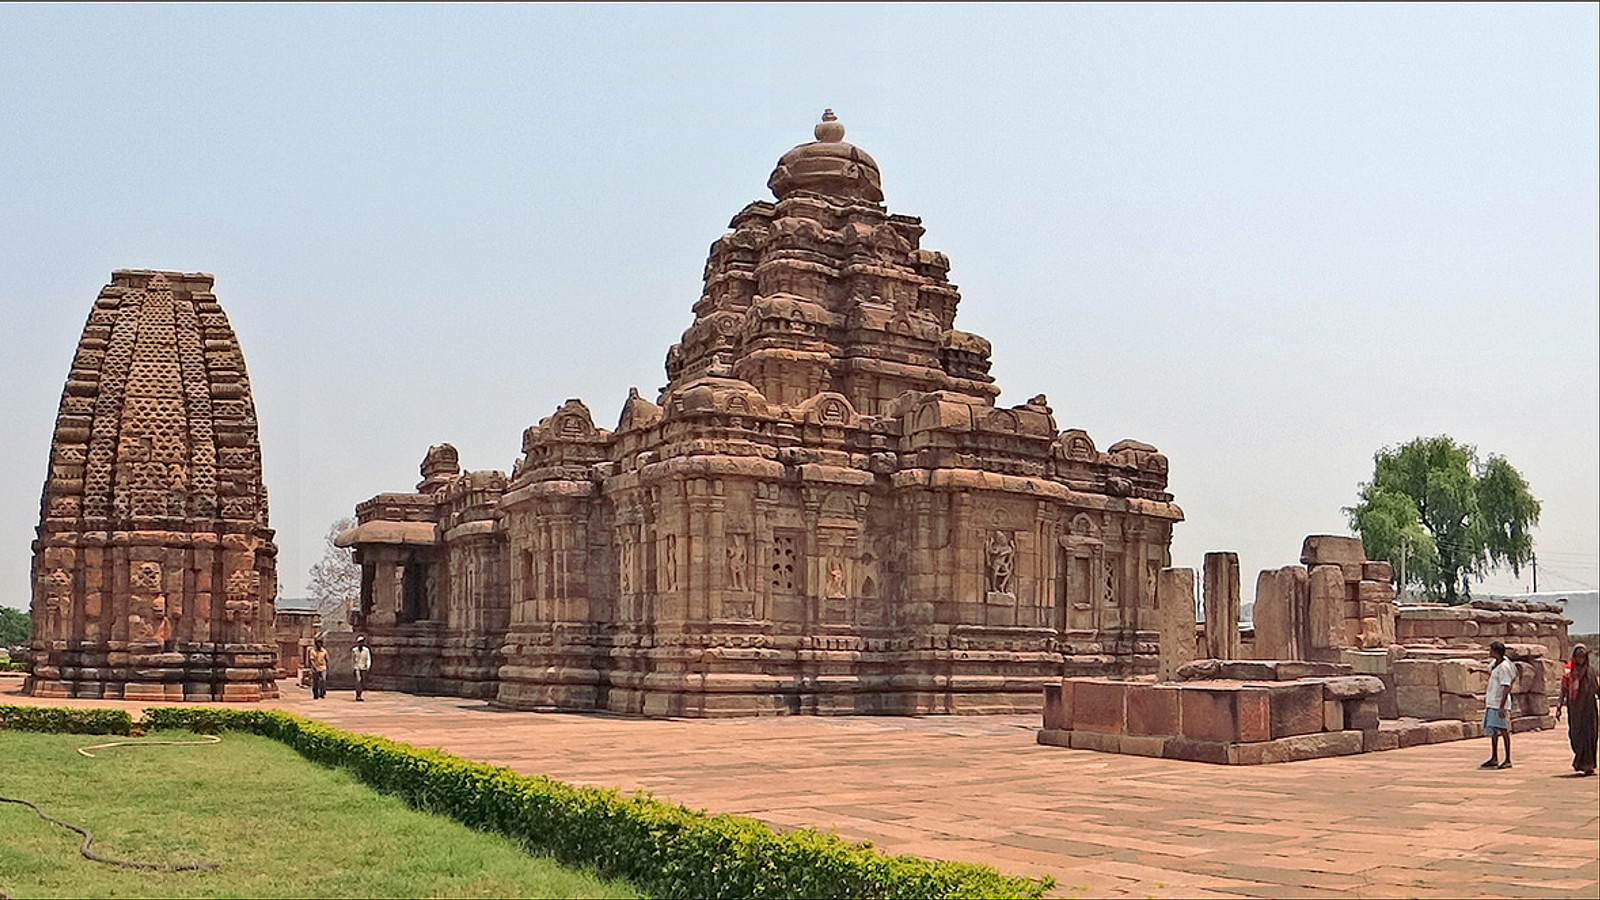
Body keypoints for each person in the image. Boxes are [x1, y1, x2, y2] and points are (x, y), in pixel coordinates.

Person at [1555, 643, 1599, 776]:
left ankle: (1588, 765)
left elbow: (1596, 688)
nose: (1580, 659)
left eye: (1583, 656)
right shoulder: (1569, 672)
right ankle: (1580, 759)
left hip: (1589, 709)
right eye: (1578, 656)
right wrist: (1558, 706)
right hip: (1575, 709)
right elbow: (1564, 689)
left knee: (1590, 736)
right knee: (1575, 735)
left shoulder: (1590, 671)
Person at [1481, 640, 1515, 769]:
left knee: (1504, 731)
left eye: (1491, 650)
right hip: (1491, 701)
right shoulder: (1495, 664)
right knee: (1493, 731)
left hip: (1500, 703)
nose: (1490, 653)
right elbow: (1489, 672)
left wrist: (1502, 706)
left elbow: (1507, 686)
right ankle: (1494, 757)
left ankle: (1507, 759)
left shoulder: (1504, 667)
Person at [352, 635, 372, 701]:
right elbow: (353, 659)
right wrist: (353, 668)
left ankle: (360, 694)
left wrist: (368, 666)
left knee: (362, 682)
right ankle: (357, 695)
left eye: (362, 642)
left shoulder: (366, 650)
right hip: (357, 667)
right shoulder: (354, 650)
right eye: (360, 642)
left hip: (364, 667)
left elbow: (368, 659)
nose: (361, 643)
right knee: (358, 681)